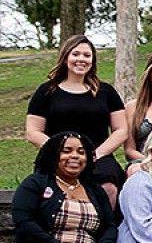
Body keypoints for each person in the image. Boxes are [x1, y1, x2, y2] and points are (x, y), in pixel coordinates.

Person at [25, 34, 128, 208]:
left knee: (108, 185)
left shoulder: (106, 91)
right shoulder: (46, 91)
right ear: (66, 57)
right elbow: (32, 131)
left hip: (98, 157)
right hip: (56, 157)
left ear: (93, 60)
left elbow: (121, 130)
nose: (81, 59)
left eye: (87, 55)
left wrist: (96, 154)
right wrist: (59, 151)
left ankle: (103, 230)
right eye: (76, 54)